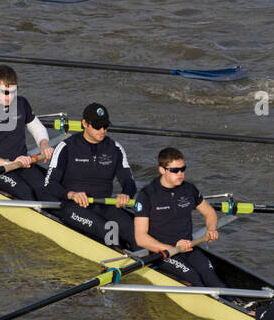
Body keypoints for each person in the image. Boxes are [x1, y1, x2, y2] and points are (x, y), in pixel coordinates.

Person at [43, 102, 137, 247]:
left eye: (105, 126)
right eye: (97, 126)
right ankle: (119, 259)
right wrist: (71, 194)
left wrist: (126, 194)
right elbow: (50, 184)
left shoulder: (115, 148)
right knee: (108, 231)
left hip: (104, 204)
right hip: (73, 206)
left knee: (136, 231)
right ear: (84, 123)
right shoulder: (66, 147)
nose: (102, 130)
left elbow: (129, 181)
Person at [132, 147, 226, 287]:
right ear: (162, 170)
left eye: (183, 169)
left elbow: (210, 213)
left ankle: (239, 306)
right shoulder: (147, 195)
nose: (180, 174)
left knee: (210, 275)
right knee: (193, 278)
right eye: (175, 170)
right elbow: (140, 238)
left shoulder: (189, 189)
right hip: (162, 252)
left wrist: (211, 229)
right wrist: (170, 248)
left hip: (188, 246)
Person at [0, 65, 54, 199]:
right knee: (26, 194)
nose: (10, 97)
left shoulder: (21, 103)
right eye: (5, 92)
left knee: (48, 190)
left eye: (13, 92)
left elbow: (38, 128)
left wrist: (44, 145)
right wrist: (8, 163)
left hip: (23, 162)